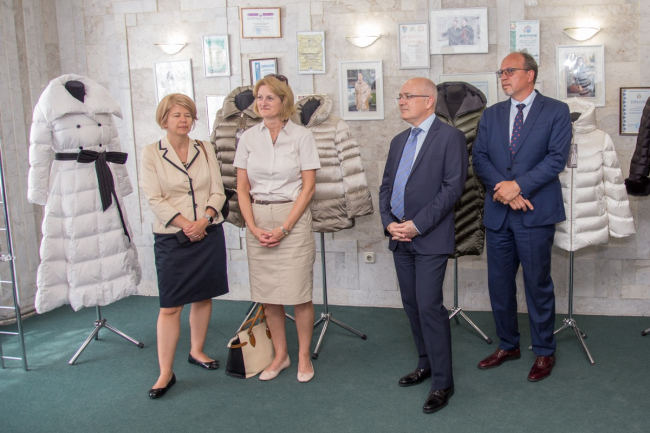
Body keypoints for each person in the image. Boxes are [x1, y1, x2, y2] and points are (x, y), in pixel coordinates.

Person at [472, 52, 572, 382]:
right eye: (501, 72)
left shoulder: (556, 110)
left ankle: (544, 350)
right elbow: (480, 158)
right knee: (499, 285)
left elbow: (556, 159)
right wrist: (506, 190)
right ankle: (508, 345)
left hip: (536, 212)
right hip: (500, 212)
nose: (503, 76)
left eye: (510, 70)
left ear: (530, 74)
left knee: (537, 284)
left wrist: (518, 186)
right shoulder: (491, 114)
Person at [379, 77, 468, 413]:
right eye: (400, 96)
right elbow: (386, 187)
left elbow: (452, 189)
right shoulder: (398, 140)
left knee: (429, 305)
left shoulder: (450, 137)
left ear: (429, 101)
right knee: (412, 305)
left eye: (408, 96)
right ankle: (425, 363)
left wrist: (416, 225)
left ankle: (443, 382)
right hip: (399, 237)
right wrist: (389, 222)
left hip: (430, 237)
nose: (402, 101)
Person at [140, 93, 229, 399]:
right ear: (164, 119)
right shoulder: (151, 153)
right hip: (172, 237)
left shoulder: (204, 148)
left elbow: (218, 191)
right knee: (170, 306)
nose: (183, 120)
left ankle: (197, 351)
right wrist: (187, 225)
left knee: (203, 296)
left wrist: (204, 220)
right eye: (177, 115)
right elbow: (154, 199)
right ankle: (165, 372)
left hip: (208, 231)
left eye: (188, 115)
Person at [233, 75, 321, 383]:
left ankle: (303, 357)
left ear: (284, 101)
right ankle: (281, 356)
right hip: (257, 217)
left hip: (292, 217)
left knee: (299, 293)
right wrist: (252, 227)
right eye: (259, 97)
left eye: (270, 97)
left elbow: (308, 188)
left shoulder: (302, 136)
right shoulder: (247, 138)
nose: (263, 103)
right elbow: (241, 188)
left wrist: (285, 228)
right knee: (268, 295)